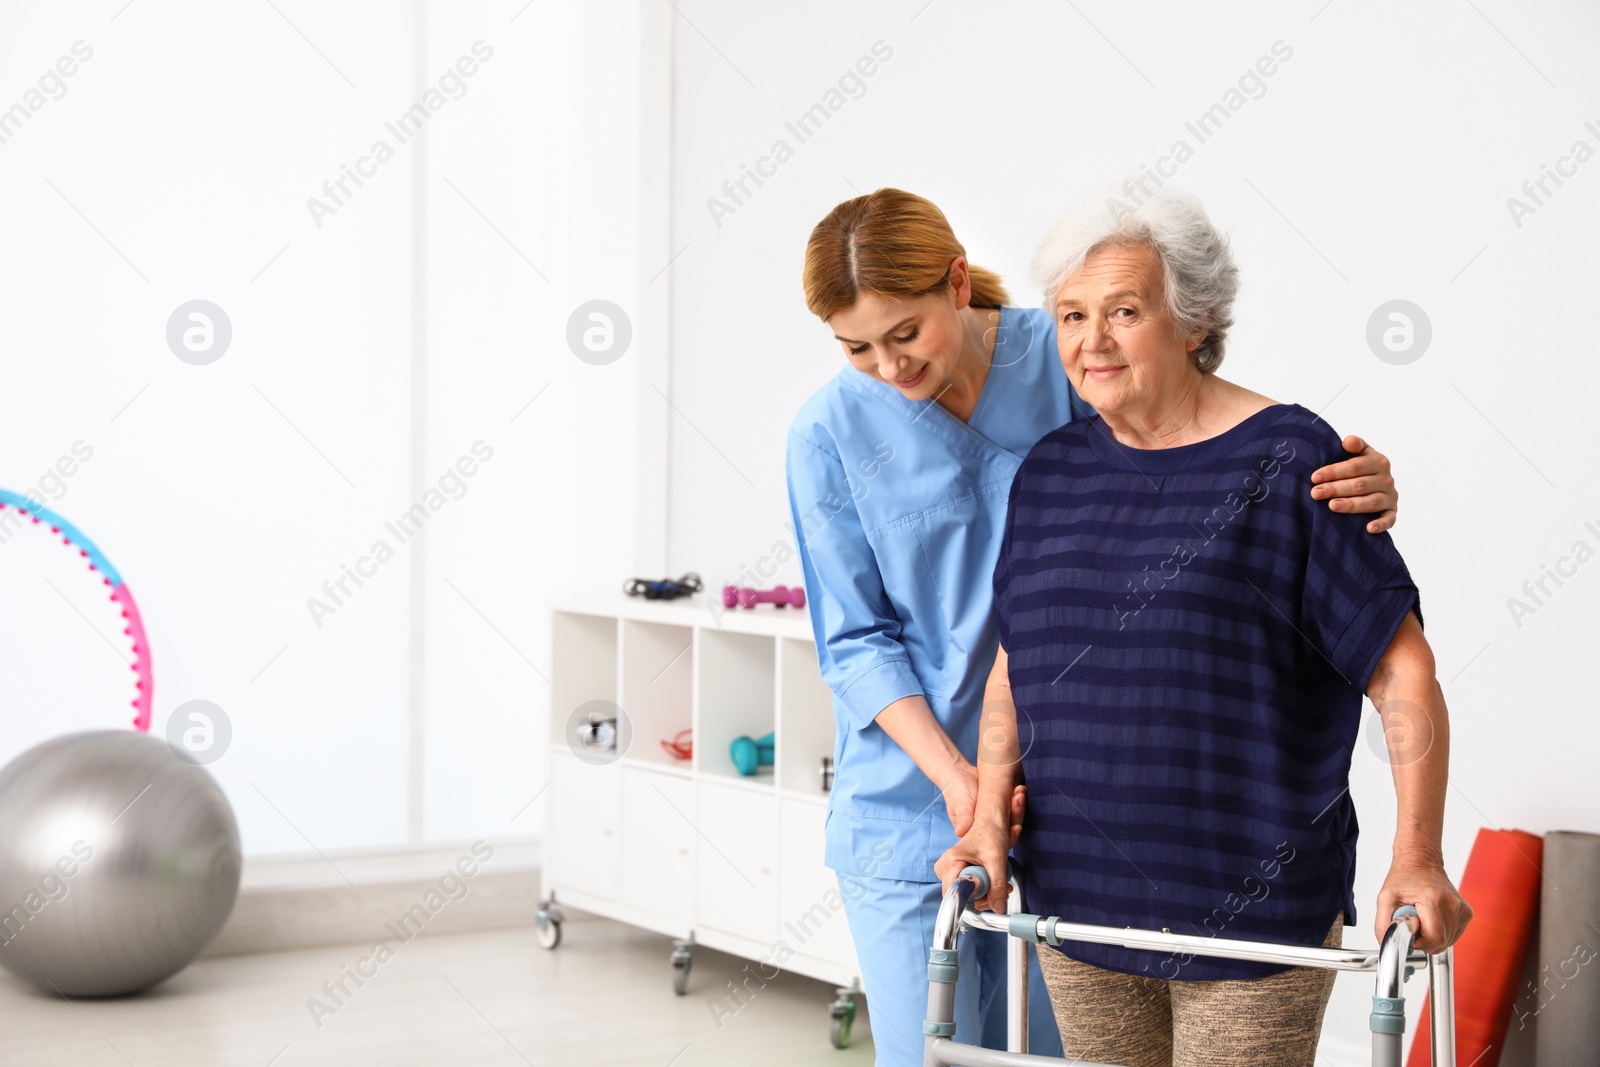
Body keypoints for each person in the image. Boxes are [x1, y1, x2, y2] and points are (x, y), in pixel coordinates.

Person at [786, 188, 1405, 1066]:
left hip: (1082, 811)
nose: (888, 367)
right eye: (856, 348)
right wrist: (968, 787)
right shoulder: (828, 432)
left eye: (905, 334)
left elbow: (1196, 442)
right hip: (915, 795)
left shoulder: (1072, 349)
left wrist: (1341, 477)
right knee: (933, 1052)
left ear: (958, 285)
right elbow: (854, 641)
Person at [935, 186, 1471, 1067]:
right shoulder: (1051, 473)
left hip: (1249, 918)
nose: (1090, 339)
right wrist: (989, 818)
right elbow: (1013, 668)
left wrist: (1418, 855)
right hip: (1078, 902)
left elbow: (1404, 672)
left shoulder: (1293, 458)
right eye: (1071, 314)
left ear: (1193, 322)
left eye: (1123, 311)